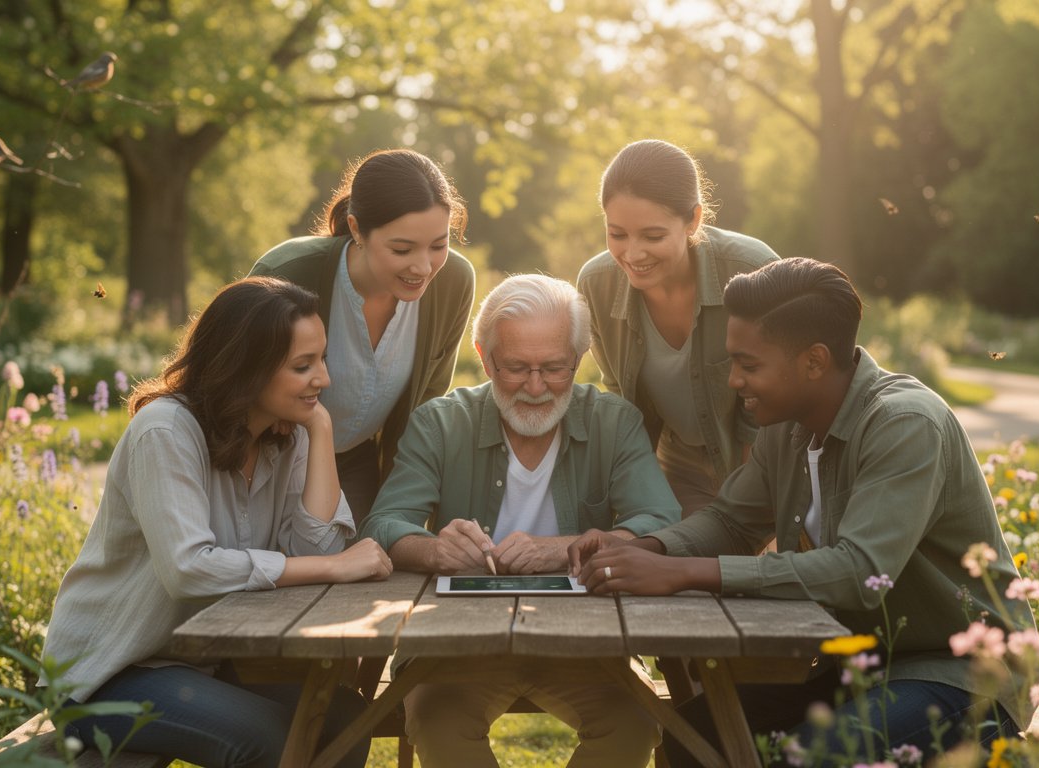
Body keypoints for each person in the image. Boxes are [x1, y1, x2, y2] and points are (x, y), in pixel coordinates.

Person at [569, 258, 1036, 766]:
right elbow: (731, 520)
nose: (735, 382)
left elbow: (860, 572)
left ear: (814, 362)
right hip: (856, 668)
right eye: (733, 364)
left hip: (961, 675)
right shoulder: (786, 426)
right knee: (693, 735)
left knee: (809, 759)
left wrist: (679, 572)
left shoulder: (904, 424)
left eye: (750, 365)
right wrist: (643, 550)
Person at [41, 277, 392, 768]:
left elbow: (323, 552)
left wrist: (322, 428)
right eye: (302, 366)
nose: (324, 380)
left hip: (204, 662)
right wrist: (331, 568)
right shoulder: (164, 431)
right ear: (246, 369)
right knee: (264, 738)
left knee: (343, 719)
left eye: (322, 360)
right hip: (109, 674)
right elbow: (188, 570)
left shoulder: (286, 436)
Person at [361, 273, 679, 768]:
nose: (536, 388)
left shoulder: (614, 421)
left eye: (555, 368)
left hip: (589, 644)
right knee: (438, 721)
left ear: (579, 358)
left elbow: (660, 521)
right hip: (456, 644)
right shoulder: (440, 422)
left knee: (635, 723)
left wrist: (562, 547)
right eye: (515, 368)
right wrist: (435, 550)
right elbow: (384, 523)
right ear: (484, 357)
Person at [250, 148, 475, 524]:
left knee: (367, 562)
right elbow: (237, 388)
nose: (423, 267)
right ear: (356, 229)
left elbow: (424, 406)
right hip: (265, 459)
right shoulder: (287, 272)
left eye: (439, 245)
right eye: (402, 249)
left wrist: (402, 513)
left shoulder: (454, 282)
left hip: (353, 465)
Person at [577, 139, 781, 516]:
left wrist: (755, 510)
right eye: (617, 234)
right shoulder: (596, 285)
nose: (633, 254)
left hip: (762, 460)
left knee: (747, 567)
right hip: (675, 466)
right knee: (674, 563)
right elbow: (620, 394)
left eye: (653, 236)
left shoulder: (751, 268)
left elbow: (772, 396)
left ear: (694, 220)